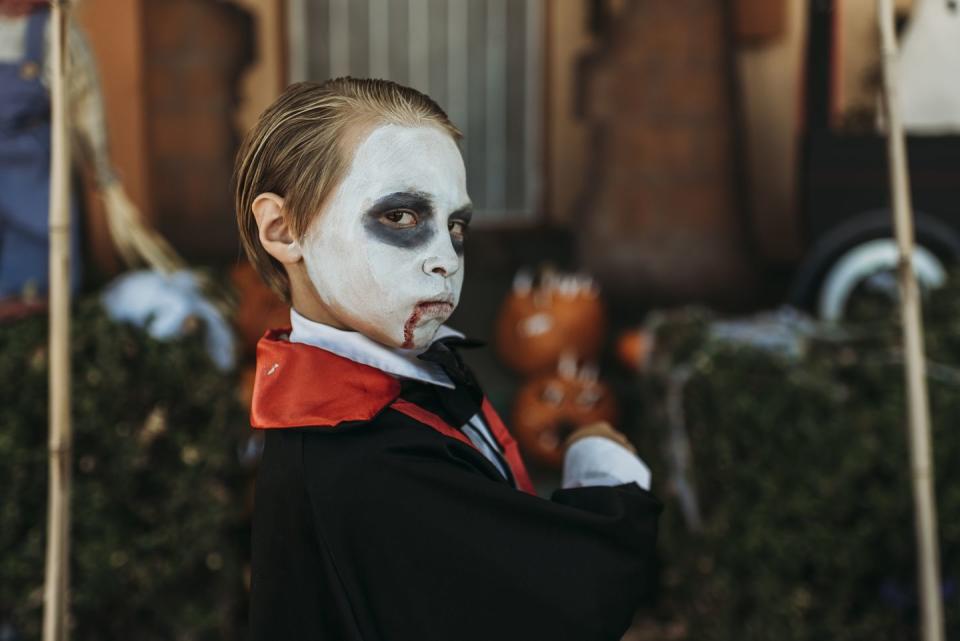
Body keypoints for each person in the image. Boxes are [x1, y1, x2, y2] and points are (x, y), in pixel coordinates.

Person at [235, 77, 661, 641]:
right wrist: (603, 469)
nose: (445, 259)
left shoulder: (398, 387)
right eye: (402, 217)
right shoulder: (365, 459)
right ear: (284, 229)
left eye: (455, 226)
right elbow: (565, 601)